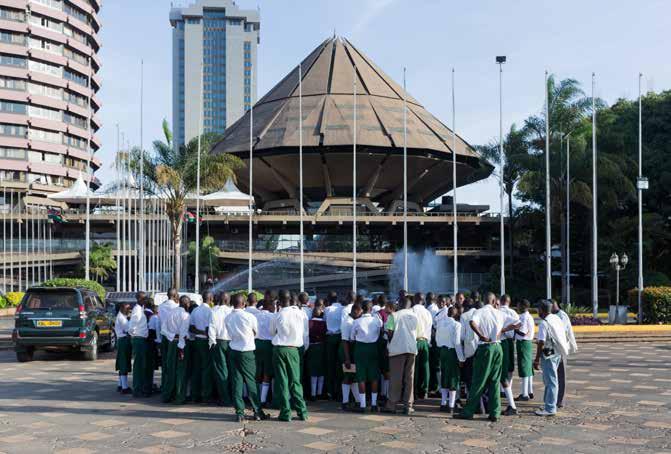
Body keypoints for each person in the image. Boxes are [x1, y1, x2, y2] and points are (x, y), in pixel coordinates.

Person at [455, 292, 505, 422]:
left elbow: (472, 323)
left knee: (478, 380)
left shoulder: (479, 312)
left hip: (485, 347)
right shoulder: (499, 313)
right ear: (494, 302)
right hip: (498, 347)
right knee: (494, 381)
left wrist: (481, 335)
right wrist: (499, 333)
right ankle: (495, 412)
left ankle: (469, 411)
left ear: (483, 300)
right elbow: (516, 323)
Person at [225, 293, 268, 422]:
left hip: (233, 350)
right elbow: (256, 333)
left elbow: (229, 333)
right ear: (244, 303)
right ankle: (257, 411)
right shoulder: (249, 316)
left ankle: (239, 412)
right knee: (251, 381)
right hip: (247, 351)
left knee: (237, 381)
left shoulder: (227, 317)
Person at [271, 290, 309, 422]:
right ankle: (302, 411)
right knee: (295, 381)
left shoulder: (278, 315)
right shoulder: (301, 313)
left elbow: (272, 332)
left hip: (280, 349)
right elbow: (305, 333)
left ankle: (286, 412)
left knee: (282, 381)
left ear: (280, 301)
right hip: (294, 349)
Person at [382, 296, 419, 415]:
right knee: (409, 378)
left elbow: (389, 332)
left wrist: (390, 343)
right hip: (412, 349)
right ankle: (408, 406)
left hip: (398, 350)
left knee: (396, 378)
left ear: (400, 304)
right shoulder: (415, 316)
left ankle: (392, 405)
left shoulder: (394, 315)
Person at [534, 299, 570, 417]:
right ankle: (548, 403)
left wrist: (536, 359)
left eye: (538, 309)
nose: (537, 311)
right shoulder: (556, 318)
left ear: (542, 310)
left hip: (548, 355)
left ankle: (550, 408)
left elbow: (541, 342)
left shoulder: (544, 323)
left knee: (551, 381)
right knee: (550, 380)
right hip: (557, 353)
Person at [350, 300, 383, 412]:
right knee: (374, 377)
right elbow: (379, 333)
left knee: (361, 377)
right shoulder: (377, 321)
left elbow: (352, 338)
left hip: (360, 349)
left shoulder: (356, 322)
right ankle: (373, 404)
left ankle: (363, 405)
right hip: (373, 348)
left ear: (362, 309)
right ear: (371, 308)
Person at [161, 295, 191, 404]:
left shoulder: (171, 313)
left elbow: (163, 329)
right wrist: (181, 348)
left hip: (171, 344)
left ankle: (167, 395)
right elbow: (183, 333)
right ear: (186, 304)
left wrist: (171, 335)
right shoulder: (185, 315)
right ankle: (179, 397)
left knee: (170, 370)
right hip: (180, 344)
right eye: (189, 303)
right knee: (181, 371)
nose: (189, 305)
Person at [435, 306, 465, 413]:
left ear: (447, 313)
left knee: (444, 376)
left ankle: (443, 403)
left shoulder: (440, 324)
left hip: (443, 350)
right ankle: (451, 405)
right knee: (453, 377)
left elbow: (437, 339)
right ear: (456, 315)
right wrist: (461, 358)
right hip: (452, 352)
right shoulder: (457, 325)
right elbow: (457, 343)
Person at [189, 291, 214, 403]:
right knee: (206, 369)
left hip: (196, 340)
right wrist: (205, 333)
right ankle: (206, 395)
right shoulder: (210, 311)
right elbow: (210, 329)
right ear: (211, 299)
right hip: (205, 342)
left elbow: (191, 328)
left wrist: (200, 332)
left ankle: (195, 394)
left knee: (196, 368)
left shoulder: (195, 310)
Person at [208, 291, 233, 406]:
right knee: (232, 370)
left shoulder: (214, 311)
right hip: (232, 343)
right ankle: (233, 397)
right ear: (228, 300)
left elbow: (211, 329)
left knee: (221, 371)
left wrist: (212, 343)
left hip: (219, 341)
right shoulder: (233, 312)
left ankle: (225, 398)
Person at [552, 300, 578, 408]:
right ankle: (554, 398)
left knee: (561, 375)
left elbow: (561, 331)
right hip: (554, 349)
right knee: (554, 376)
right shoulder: (553, 315)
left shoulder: (562, 315)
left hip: (561, 349)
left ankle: (560, 400)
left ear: (554, 305)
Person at [499, 294, 521, 416]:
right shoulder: (513, 312)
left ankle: (507, 396)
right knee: (509, 368)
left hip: (501, 341)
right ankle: (508, 390)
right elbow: (519, 324)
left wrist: (503, 330)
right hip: (510, 341)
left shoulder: (498, 312)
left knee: (501, 371)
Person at [340, 301, 362, 411]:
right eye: (360, 312)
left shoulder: (353, 320)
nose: (361, 314)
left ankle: (357, 401)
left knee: (353, 377)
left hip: (351, 351)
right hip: (346, 351)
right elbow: (344, 341)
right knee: (348, 376)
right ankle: (345, 402)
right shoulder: (347, 322)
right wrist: (347, 358)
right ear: (355, 311)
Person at [255, 298, 276, 407]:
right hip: (268, 344)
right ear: (270, 306)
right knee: (267, 372)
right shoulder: (273, 316)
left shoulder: (256, 315)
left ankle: (256, 397)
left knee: (258, 371)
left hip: (257, 343)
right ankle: (263, 400)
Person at [128, 292, 150, 398]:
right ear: (140, 299)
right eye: (144, 298)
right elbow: (131, 325)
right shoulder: (137, 310)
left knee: (142, 365)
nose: (146, 300)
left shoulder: (140, 309)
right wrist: (134, 335)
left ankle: (140, 388)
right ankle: (137, 389)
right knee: (138, 366)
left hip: (141, 339)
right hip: (139, 339)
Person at [412, 293, 433, 400]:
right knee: (425, 368)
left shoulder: (412, 310)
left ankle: (414, 391)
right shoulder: (427, 313)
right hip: (425, 341)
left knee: (414, 367)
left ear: (415, 299)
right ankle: (424, 391)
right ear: (423, 300)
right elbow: (429, 329)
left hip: (414, 341)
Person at [323, 291, 343, 400]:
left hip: (330, 337)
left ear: (329, 299)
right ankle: (340, 392)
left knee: (330, 365)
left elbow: (325, 321)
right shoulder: (342, 308)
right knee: (339, 365)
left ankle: (330, 392)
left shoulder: (327, 309)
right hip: (340, 337)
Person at [159, 288, 179, 391]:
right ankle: (172, 387)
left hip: (164, 336)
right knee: (173, 363)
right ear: (175, 296)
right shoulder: (176, 307)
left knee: (164, 362)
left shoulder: (161, 306)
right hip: (174, 337)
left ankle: (164, 385)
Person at [307, 299, 327, 400]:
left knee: (313, 371)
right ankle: (319, 392)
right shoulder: (324, 324)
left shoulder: (309, 323)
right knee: (321, 370)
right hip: (321, 346)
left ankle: (313, 393)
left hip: (312, 347)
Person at [515, 299, 535, 401]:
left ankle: (524, 393)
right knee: (528, 367)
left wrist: (513, 328)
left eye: (518, 305)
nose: (517, 307)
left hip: (523, 342)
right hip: (528, 343)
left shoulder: (523, 317)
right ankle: (530, 391)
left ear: (523, 306)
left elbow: (522, 332)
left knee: (524, 368)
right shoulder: (529, 316)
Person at [115, 303, 132, 394]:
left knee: (122, 362)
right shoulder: (122, 318)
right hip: (123, 340)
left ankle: (120, 384)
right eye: (127, 308)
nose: (129, 310)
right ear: (122, 308)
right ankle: (124, 387)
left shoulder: (122, 316)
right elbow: (129, 328)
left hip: (123, 340)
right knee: (124, 363)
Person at [145, 299, 160, 394]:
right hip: (152, 342)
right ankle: (149, 386)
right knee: (151, 365)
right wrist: (158, 342)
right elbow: (157, 331)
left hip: (146, 341)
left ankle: (148, 385)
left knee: (147, 365)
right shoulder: (154, 317)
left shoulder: (143, 313)